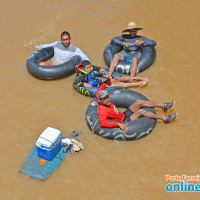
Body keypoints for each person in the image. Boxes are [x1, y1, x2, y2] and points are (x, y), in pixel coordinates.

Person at [95, 84, 177, 133]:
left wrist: (105, 83)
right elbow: (102, 123)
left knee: (139, 102)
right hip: (124, 120)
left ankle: (163, 106)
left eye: (107, 97)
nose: (108, 99)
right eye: (105, 99)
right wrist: (119, 124)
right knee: (141, 111)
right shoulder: (102, 110)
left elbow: (98, 90)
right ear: (100, 100)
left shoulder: (99, 98)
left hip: (123, 114)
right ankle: (164, 118)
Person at [72, 60, 148, 89]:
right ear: (83, 69)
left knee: (118, 79)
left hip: (101, 81)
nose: (90, 68)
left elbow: (94, 68)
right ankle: (139, 83)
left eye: (90, 67)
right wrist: (84, 84)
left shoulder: (90, 69)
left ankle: (141, 78)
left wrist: (102, 73)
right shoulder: (82, 76)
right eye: (88, 68)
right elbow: (74, 83)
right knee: (119, 83)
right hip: (101, 85)